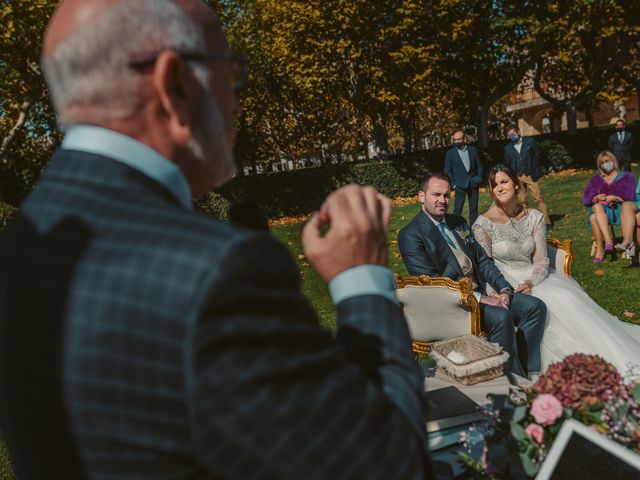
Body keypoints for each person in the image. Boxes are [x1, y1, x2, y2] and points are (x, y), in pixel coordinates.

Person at [0, 1, 433, 478]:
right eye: (230, 75)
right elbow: (390, 465)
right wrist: (362, 277)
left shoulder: (23, 243)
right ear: (175, 84)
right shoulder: (216, 272)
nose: (237, 102)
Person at [473, 164, 640, 373]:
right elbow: (484, 264)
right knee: (547, 303)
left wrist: (533, 281)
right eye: (494, 185)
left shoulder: (534, 217)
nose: (499, 188)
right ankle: (537, 367)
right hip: (503, 281)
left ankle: (604, 358)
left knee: (565, 297)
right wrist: (503, 289)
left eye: (504, 181)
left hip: (533, 276)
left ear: (516, 185)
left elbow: (542, 259)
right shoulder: (483, 223)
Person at [397, 172, 546, 379]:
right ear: (421, 196)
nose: (442, 200)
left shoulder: (457, 222)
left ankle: (529, 371)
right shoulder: (410, 234)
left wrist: (503, 290)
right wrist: (481, 299)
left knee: (535, 307)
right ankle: (511, 382)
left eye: (447, 195)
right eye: (436, 195)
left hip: (483, 291)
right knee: (501, 316)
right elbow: (433, 284)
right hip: (454, 304)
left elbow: (482, 261)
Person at [582, 150, 637, 263]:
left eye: (607, 161)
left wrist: (615, 198)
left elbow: (632, 198)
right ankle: (608, 242)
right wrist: (595, 197)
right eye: (602, 163)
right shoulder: (596, 179)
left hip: (619, 211)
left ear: (613, 161)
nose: (605, 164)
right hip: (602, 210)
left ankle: (601, 249)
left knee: (593, 218)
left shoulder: (626, 177)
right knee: (597, 206)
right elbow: (587, 200)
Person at [504, 125, 551, 227]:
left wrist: (534, 169)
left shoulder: (530, 142)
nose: (511, 136)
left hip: (530, 174)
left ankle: (547, 221)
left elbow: (537, 156)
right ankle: (526, 223)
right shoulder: (508, 148)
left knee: (538, 198)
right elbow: (508, 163)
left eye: (513, 134)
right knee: (522, 200)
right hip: (517, 176)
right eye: (509, 135)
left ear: (518, 132)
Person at [443, 130, 484, 225]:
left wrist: (478, 179)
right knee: (457, 210)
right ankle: (456, 230)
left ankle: (474, 230)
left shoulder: (472, 150)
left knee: (474, 210)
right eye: (455, 140)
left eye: (459, 139)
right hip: (459, 185)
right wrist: (453, 185)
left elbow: (479, 165)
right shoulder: (450, 153)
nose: (457, 142)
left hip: (473, 183)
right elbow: (447, 171)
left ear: (464, 139)